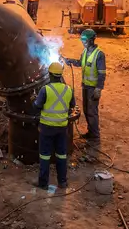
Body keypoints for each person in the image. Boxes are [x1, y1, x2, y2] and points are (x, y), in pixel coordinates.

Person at [32, 62, 75, 190]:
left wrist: (34, 100)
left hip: (47, 128)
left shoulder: (45, 90)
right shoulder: (69, 89)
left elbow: (37, 106)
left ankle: (43, 183)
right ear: (60, 75)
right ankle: (62, 182)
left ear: (50, 75)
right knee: (61, 155)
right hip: (62, 128)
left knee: (45, 156)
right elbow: (72, 105)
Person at [64, 29, 106, 143]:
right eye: (82, 40)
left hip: (93, 88)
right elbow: (80, 63)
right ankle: (90, 133)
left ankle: (95, 137)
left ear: (92, 40)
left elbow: (102, 73)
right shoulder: (85, 51)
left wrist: (99, 88)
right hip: (85, 86)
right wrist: (69, 60)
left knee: (92, 112)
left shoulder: (99, 54)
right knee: (87, 110)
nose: (83, 42)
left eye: (85, 40)